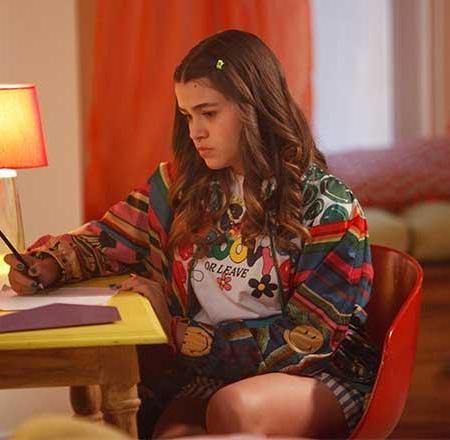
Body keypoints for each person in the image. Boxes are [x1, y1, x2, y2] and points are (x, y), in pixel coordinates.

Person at [5, 29, 378, 439]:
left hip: (317, 373)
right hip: (210, 372)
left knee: (233, 410)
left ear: (255, 108)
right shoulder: (180, 187)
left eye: (209, 113)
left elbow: (308, 340)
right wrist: (49, 265)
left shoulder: (328, 206)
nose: (195, 132)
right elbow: (106, 239)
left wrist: (178, 332)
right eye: (187, 116)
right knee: (168, 431)